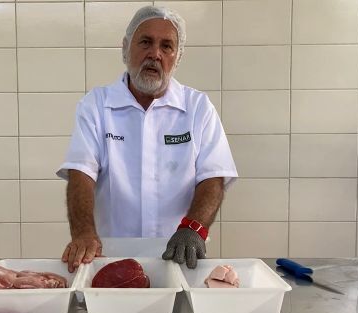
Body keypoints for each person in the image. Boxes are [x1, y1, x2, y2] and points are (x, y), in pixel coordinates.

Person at [56, 5, 237, 272]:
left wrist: (194, 229)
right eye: (145, 42)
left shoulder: (198, 107)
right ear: (126, 48)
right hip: (110, 258)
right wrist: (83, 233)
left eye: (167, 46)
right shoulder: (96, 105)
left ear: (178, 57)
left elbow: (213, 177)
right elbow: (81, 173)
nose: (155, 54)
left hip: (179, 255)